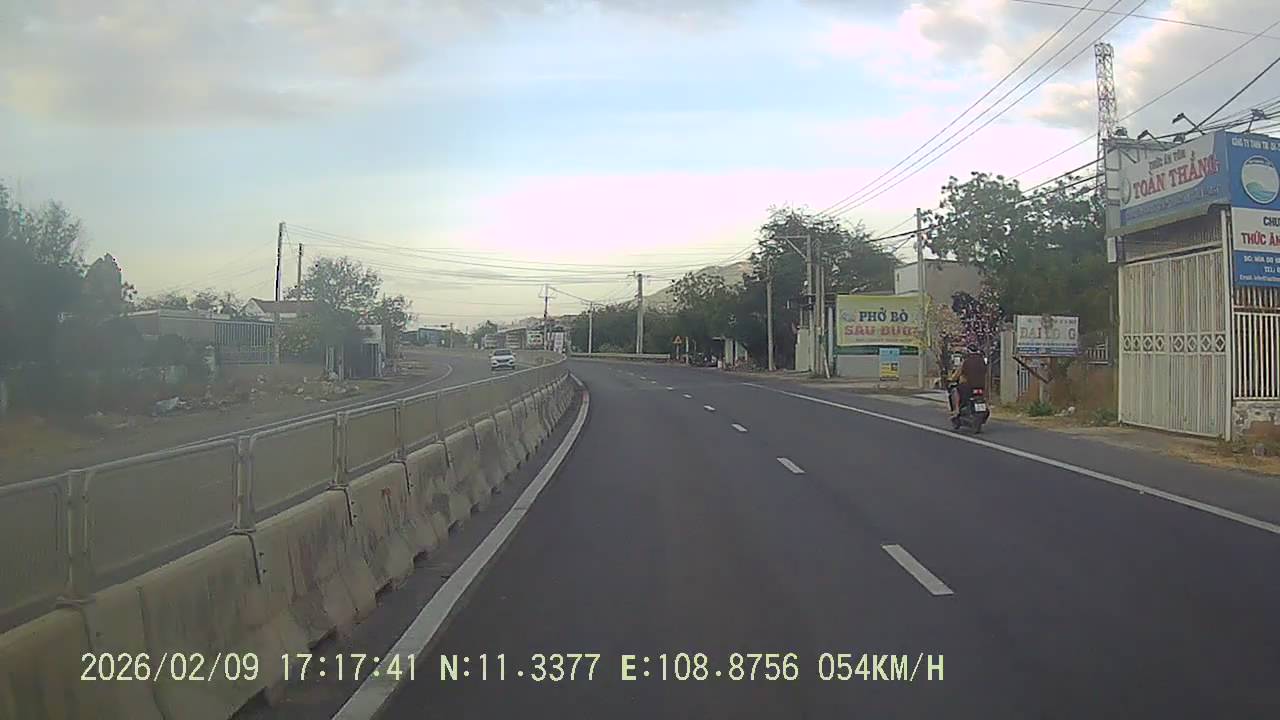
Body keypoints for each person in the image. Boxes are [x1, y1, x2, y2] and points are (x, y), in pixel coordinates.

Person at [950, 346, 987, 417]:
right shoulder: (982, 361)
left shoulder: (966, 361)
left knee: (955, 391)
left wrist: (951, 379)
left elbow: (957, 374)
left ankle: (957, 410)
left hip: (968, 386)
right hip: (981, 386)